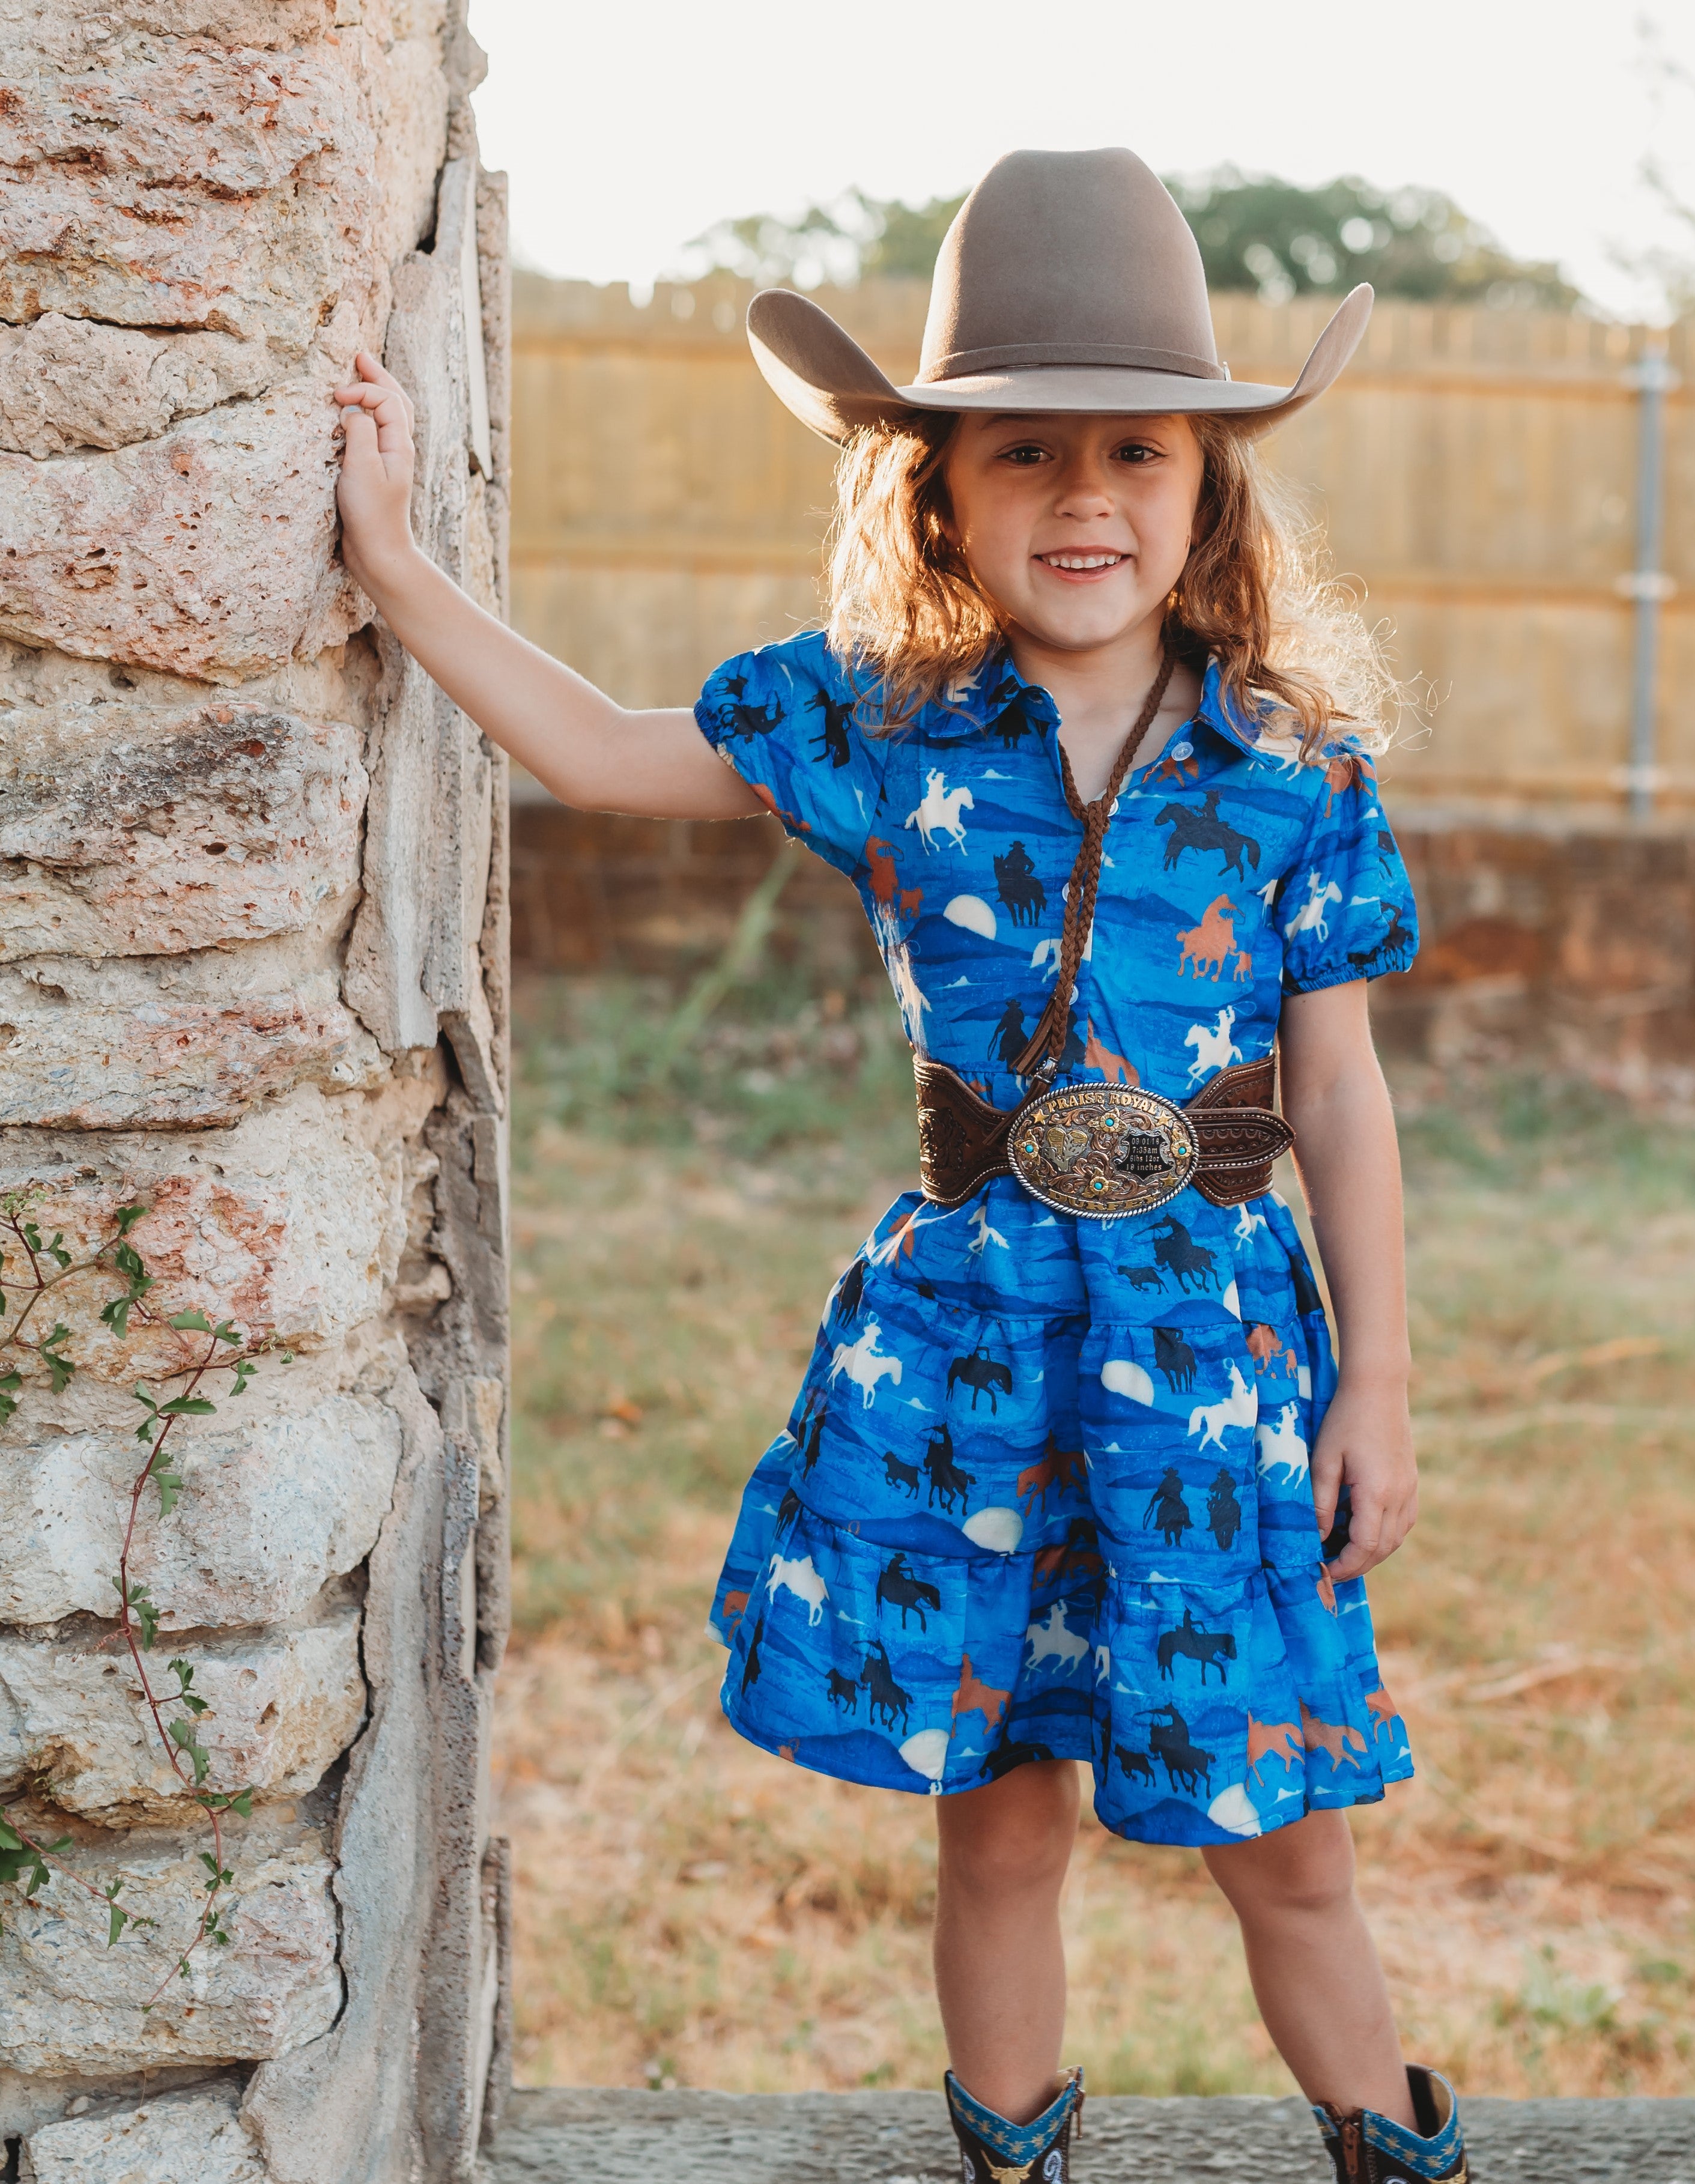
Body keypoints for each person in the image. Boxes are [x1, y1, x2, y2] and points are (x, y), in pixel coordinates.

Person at [333, 146, 1462, 2184]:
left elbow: (1346, 1098)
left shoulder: (1290, 778)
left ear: (1210, 486)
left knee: (1284, 1833)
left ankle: (1394, 2150)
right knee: (1004, 1816)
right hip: (971, 1349)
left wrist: (1375, 1382)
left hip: (1217, 1361)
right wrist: (398, 564)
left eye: (1138, 451)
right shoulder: (883, 729)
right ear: (937, 484)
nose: (1088, 498)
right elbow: (594, 746)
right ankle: (1012, 2156)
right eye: (1026, 454)